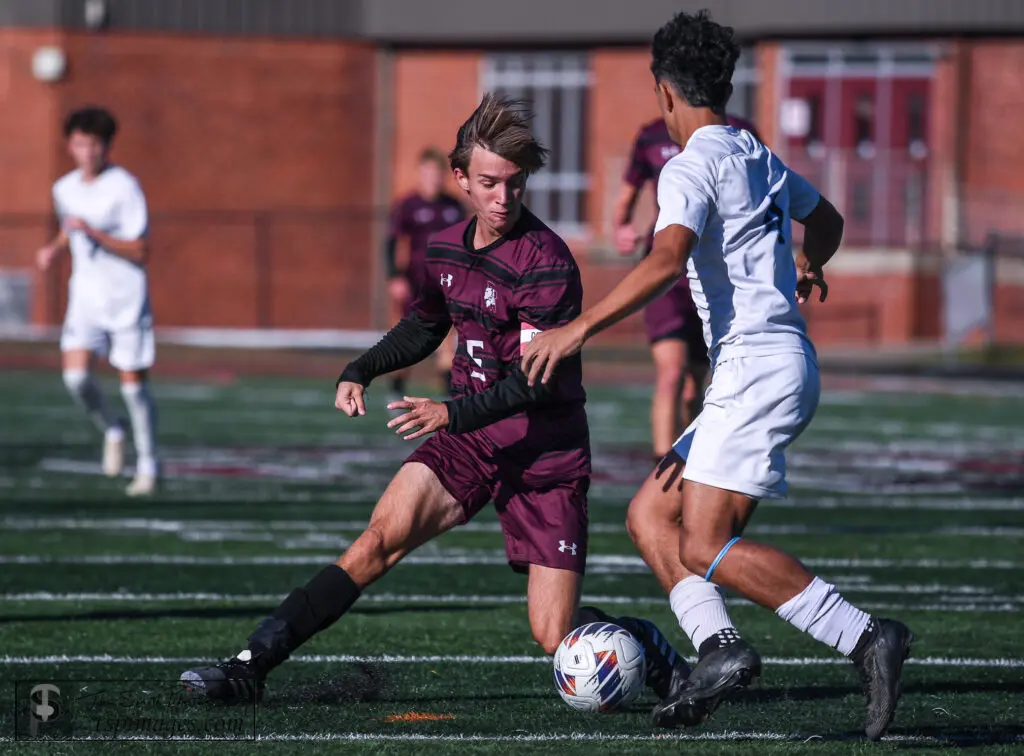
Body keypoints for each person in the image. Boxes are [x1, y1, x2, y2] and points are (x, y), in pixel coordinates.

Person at [180, 93, 689, 710]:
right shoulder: (445, 248)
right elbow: (423, 327)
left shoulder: (547, 260)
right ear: (460, 179)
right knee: (375, 543)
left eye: (515, 183)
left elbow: (536, 381)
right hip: (469, 442)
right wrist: (361, 368)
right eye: (489, 183)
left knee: (554, 635)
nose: (503, 198)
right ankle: (251, 664)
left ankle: (648, 647)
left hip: (544, 458)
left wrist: (448, 411)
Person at [522, 11, 913, 740]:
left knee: (702, 545)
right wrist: (811, 262)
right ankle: (719, 649)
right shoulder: (754, 151)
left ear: (664, 92)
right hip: (769, 365)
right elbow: (824, 218)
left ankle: (866, 637)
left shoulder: (690, 164)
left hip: (756, 368)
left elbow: (668, 257)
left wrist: (577, 329)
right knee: (649, 516)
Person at [614, 115, 761, 461]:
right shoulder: (650, 136)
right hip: (667, 270)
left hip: (716, 274)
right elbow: (624, 203)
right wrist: (621, 227)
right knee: (672, 371)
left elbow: (763, 204)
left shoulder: (742, 135)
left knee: (696, 385)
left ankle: (691, 464)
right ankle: (662, 472)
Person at [36, 106, 158, 497]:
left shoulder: (125, 187)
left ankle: (149, 466)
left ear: (106, 147)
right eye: (79, 144)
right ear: (70, 146)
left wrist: (93, 233)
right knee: (75, 378)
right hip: (85, 298)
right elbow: (69, 228)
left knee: (134, 387)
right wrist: (55, 249)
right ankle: (113, 428)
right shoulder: (64, 189)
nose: (87, 152)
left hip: (126, 298)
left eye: (94, 144)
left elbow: (140, 249)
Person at [384, 148, 466, 398]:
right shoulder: (407, 205)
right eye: (429, 172)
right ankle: (396, 390)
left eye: (438, 173)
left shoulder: (454, 207)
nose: (434, 178)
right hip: (415, 284)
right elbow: (391, 242)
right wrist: (394, 277)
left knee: (447, 342)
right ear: (421, 173)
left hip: (445, 285)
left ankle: (449, 403)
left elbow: (466, 244)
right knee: (409, 343)